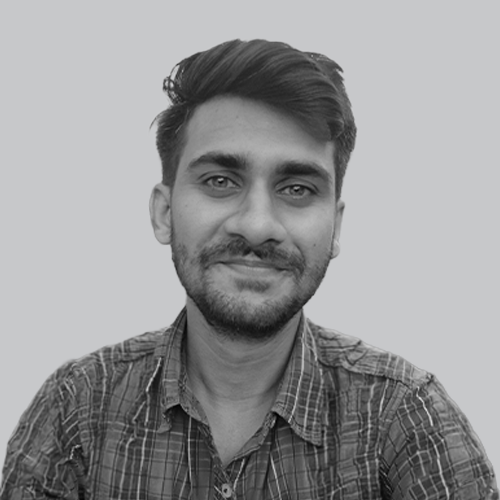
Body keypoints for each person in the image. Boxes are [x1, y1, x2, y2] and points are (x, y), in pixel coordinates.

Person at [0, 39, 497, 500]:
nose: (258, 226)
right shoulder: (77, 407)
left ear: (335, 226)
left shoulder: (405, 416)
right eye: (220, 180)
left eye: (297, 189)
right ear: (164, 213)